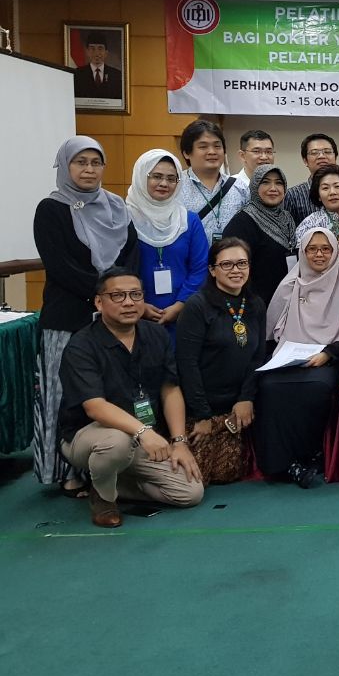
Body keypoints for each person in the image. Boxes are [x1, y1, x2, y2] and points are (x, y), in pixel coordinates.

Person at [57, 268, 203, 527]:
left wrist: (179, 441)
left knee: (190, 492)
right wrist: (144, 432)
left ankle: (110, 480)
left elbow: (170, 389)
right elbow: (95, 407)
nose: (128, 302)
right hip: (90, 436)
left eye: (135, 295)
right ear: (99, 302)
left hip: (140, 438)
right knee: (117, 442)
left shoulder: (156, 334)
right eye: (118, 295)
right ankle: (104, 498)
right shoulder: (81, 345)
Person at [34, 136, 139, 491]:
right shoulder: (51, 209)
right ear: (65, 167)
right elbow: (59, 266)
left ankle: (105, 467)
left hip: (112, 318)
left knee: (105, 394)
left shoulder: (117, 207)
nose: (89, 170)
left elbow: (131, 254)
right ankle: (64, 472)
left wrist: (118, 295)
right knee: (64, 395)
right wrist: (108, 294)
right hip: (68, 318)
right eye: (80, 162)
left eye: (96, 162)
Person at [256, 228, 339, 487]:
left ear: (335, 252)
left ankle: (308, 455)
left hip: (326, 358)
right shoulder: (290, 285)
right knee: (268, 388)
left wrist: (327, 354)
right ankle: (285, 463)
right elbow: (272, 329)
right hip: (288, 357)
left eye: (325, 249)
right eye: (312, 249)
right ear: (303, 252)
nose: (319, 254)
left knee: (317, 388)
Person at [176, 238, 268, 482]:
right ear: (212, 270)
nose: (236, 270)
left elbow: (258, 357)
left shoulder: (256, 304)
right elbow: (186, 363)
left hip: (237, 406)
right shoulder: (197, 306)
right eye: (227, 264)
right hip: (202, 406)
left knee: (229, 473)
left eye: (242, 263)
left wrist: (246, 398)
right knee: (194, 480)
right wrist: (202, 414)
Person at [126, 149, 210, 339]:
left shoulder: (188, 220)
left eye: (172, 179)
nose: (164, 183)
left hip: (183, 314)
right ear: (141, 176)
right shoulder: (122, 218)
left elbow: (200, 267)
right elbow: (115, 267)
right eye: (156, 176)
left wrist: (180, 305)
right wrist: (138, 305)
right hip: (133, 312)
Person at [224, 166, 298, 305]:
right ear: (255, 186)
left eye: (279, 183)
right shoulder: (242, 222)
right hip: (255, 304)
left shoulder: (287, 218)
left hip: (287, 300)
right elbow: (232, 270)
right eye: (265, 182)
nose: (273, 188)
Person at [178, 119, 248, 245]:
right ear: (186, 153)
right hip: (190, 257)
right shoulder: (176, 186)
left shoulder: (239, 187)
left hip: (230, 257)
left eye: (217, 146)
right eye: (203, 146)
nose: (212, 152)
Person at [294, 163, 339, 247]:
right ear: (318, 196)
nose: (332, 192)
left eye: (337, 186)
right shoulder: (309, 224)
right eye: (325, 188)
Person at [283, 133, 339, 223]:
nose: (322, 156)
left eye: (327, 152)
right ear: (305, 160)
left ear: (335, 157)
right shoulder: (292, 195)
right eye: (314, 153)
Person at [72, 30, 123, 99]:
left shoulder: (116, 75)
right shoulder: (77, 74)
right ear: (87, 52)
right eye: (92, 48)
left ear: (106, 53)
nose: (96, 53)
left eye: (100, 48)